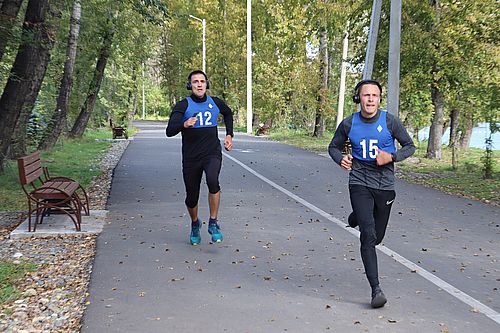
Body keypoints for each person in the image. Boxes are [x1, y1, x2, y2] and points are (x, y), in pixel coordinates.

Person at [328, 79, 415, 308]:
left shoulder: (390, 121)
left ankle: (356, 216)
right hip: (359, 181)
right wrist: (341, 159)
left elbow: (409, 146)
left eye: (374, 96)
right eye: (365, 95)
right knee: (368, 236)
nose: (370, 100)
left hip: (384, 184)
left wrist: (392, 156)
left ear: (378, 99)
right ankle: (376, 290)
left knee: (377, 237)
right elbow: (333, 147)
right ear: (359, 99)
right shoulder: (349, 124)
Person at [166, 70, 234, 245]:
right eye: (195, 81)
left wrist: (229, 135)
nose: (199, 84)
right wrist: (184, 124)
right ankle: (195, 223)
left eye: (202, 81)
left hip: (211, 153)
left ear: (206, 84)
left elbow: (228, 113)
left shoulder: (215, 102)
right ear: (190, 85)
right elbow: (169, 130)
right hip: (191, 157)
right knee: (192, 197)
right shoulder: (183, 106)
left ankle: (213, 222)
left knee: (213, 181)